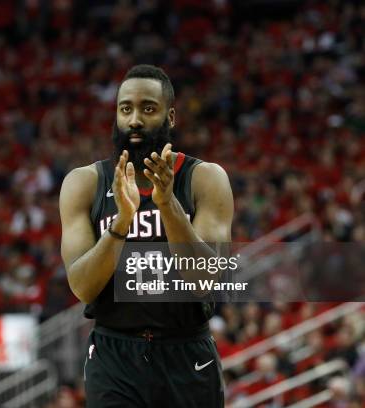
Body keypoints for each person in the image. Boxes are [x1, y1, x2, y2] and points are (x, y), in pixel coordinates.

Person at [59, 65, 234, 407]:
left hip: (187, 351)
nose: (135, 120)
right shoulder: (84, 184)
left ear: (170, 116)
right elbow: (82, 287)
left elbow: (208, 282)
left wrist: (167, 205)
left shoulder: (205, 179)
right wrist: (121, 223)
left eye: (147, 108)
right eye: (126, 109)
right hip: (114, 355)